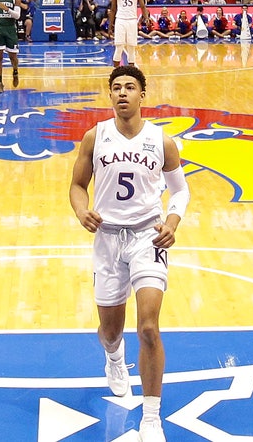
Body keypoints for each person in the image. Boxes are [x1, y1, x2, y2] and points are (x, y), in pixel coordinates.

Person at [69, 65, 189, 442]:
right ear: (110, 95)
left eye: (129, 87)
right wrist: (80, 210)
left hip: (147, 238)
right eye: (116, 88)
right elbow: (76, 185)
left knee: (149, 327)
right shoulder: (95, 136)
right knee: (110, 331)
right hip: (106, 239)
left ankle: (151, 418)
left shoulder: (161, 141)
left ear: (143, 95)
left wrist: (172, 222)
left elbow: (180, 191)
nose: (122, 93)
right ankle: (114, 358)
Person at [108, 0, 148, 67]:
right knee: (119, 46)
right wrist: (110, 25)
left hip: (132, 20)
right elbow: (113, 10)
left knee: (131, 46)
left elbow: (142, 6)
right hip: (120, 20)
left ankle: (131, 69)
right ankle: (116, 69)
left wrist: (146, 18)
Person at [0, 0, 25, 91]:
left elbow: (17, 16)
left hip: (10, 29)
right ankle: (0, 83)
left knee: (13, 57)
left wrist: (7, 9)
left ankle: (15, 71)